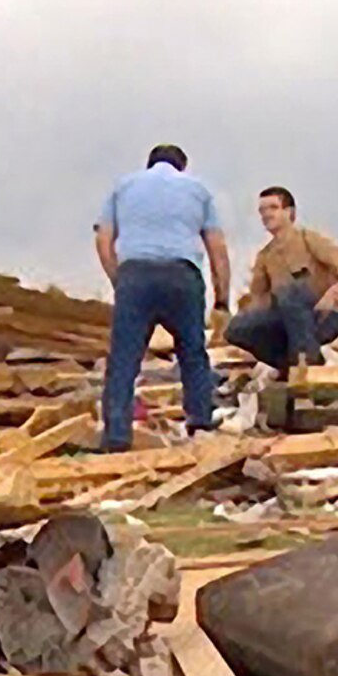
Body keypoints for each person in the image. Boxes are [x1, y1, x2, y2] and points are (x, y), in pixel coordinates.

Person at [94, 144, 232, 451]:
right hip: (182, 276)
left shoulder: (124, 186)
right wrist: (222, 297)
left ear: (149, 164)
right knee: (192, 353)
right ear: (182, 166)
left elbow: (103, 240)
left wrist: (119, 280)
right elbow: (217, 248)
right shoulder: (198, 189)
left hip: (135, 275)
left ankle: (116, 434)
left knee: (124, 359)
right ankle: (199, 424)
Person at [224, 186, 338, 375]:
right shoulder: (265, 257)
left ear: (289, 212)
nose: (266, 214)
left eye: (273, 208)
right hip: (286, 321)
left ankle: (308, 366)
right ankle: (292, 366)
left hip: (323, 315)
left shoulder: (308, 239)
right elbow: (257, 301)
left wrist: (335, 293)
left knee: (292, 291)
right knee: (236, 328)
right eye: (262, 210)